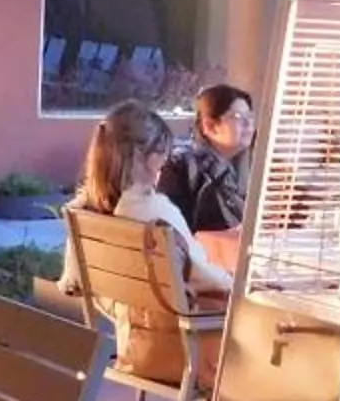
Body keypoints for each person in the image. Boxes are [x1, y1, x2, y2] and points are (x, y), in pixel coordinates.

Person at [60, 98, 232, 386]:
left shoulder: (84, 214)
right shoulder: (155, 215)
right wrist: (236, 282)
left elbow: (73, 284)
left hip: (134, 347)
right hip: (188, 354)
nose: (165, 162)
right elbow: (205, 278)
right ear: (146, 156)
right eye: (163, 154)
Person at [158, 83, 255, 270]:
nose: (248, 124)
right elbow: (177, 235)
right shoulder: (188, 167)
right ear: (210, 126)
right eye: (238, 117)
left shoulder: (240, 165)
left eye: (250, 116)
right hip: (200, 270)